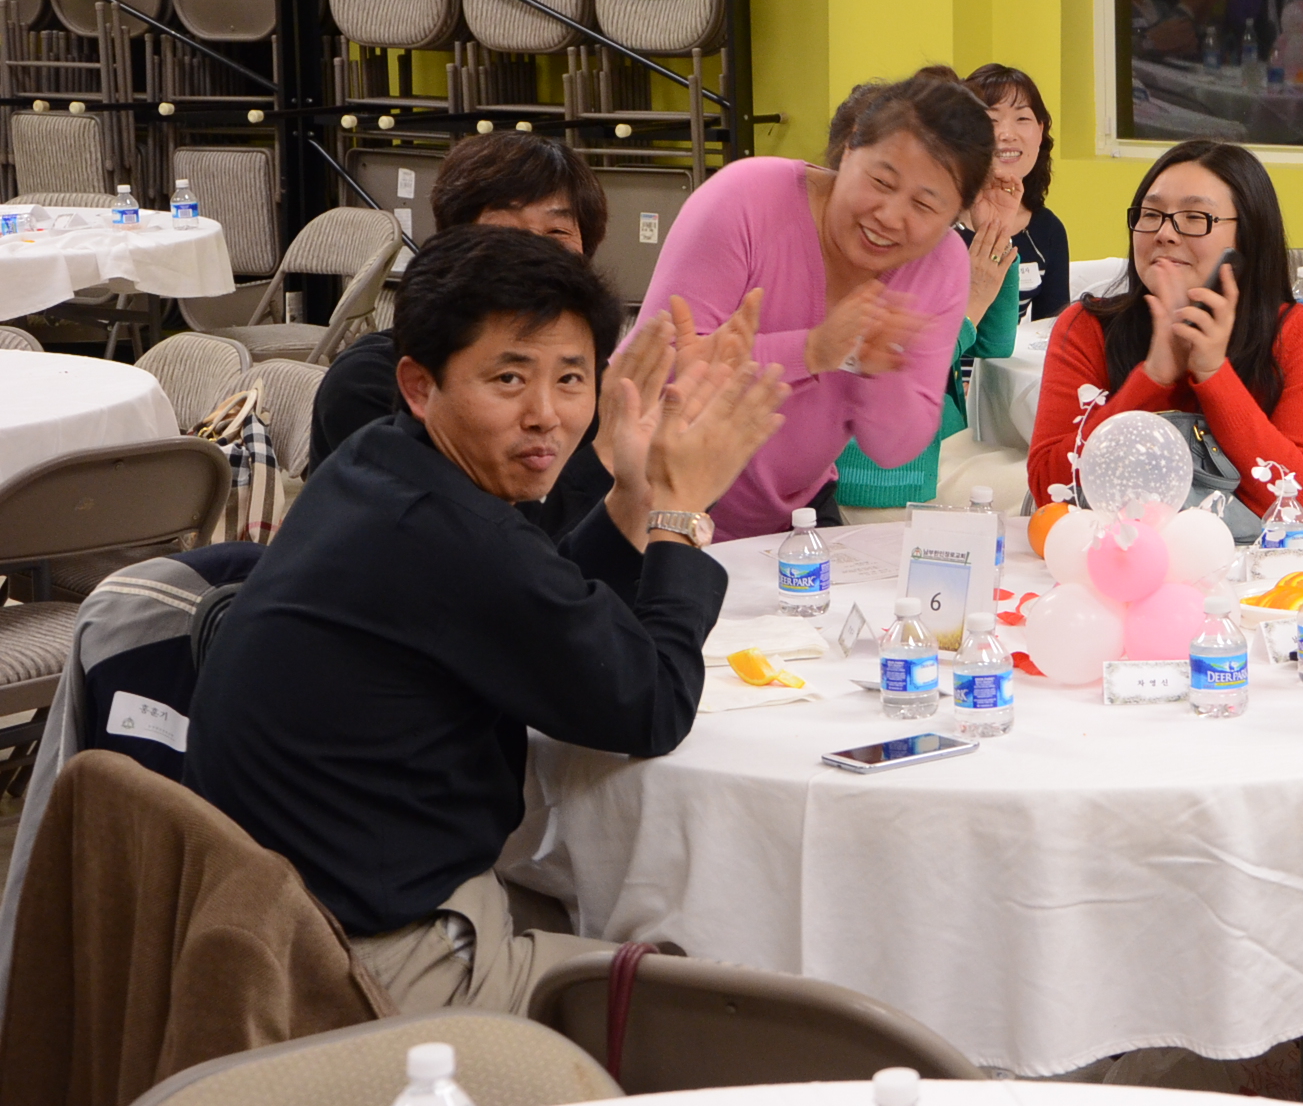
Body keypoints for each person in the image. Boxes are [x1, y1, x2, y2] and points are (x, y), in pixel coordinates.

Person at [186, 225, 787, 1014]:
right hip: (362, 961)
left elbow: (536, 602)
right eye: (509, 378)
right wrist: (680, 513)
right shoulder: (447, 533)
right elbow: (652, 706)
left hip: (281, 913)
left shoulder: (381, 466)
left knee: (630, 914)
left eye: (571, 379)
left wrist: (636, 496)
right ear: (419, 384)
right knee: (727, 1003)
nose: (546, 415)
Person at [633, 71, 994, 540]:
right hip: (654, 507)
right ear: (849, 149)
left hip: (793, 520)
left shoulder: (940, 265)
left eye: (925, 207)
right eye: (881, 181)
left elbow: (893, 450)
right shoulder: (746, 197)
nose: (890, 217)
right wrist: (812, 350)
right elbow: (651, 376)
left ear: (956, 214)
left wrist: (881, 373)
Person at [308, 132, 621, 538]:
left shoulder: (586, 379)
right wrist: (607, 460)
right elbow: (487, 546)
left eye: (556, 234)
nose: (532, 255)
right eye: (505, 233)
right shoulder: (370, 380)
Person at [1027, 140, 1303, 517]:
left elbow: (1300, 502)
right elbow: (1051, 489)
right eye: (1151, 214)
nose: (1165, 233)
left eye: (1195, 217)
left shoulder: (1301, 333)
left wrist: (1213, 375)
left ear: (1249, 236)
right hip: (1113, 548)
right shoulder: (1086, 326)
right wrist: (1154, 378)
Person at [830, 87, 1023, 517]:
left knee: (1057, 473)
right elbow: (893, 363)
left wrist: (993, 232)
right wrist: (972, 305)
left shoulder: (926, 245)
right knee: (1054, 487)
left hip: (947, 449)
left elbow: (996, 344)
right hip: (885, 477)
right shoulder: (845, 252)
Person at [965, 62, 1071, 321]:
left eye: (1022, 119)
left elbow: (1050, 331)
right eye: (991, 120)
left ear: (1040, 131)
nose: (1007, 134)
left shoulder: (1048, 230)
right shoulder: (935, 222)